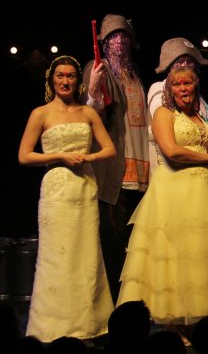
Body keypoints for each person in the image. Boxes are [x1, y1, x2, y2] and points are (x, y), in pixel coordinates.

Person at [117, 67, 208, 325]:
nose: (183, 89)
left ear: (195, 86)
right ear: (170, 89)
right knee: (174, 254)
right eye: (177, 84)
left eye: (187, 83)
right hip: (175, 189)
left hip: (202, 192)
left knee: (197, 256)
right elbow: (171, 151)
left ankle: (196, 317)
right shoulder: (164, 113)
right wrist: (207, 157)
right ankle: (171, 320)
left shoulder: (198, 116)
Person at [18, 56, 116, 342]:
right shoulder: (40, 114)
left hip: (84, 187)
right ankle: (52, 325)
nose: (65, 81)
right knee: (56, 257)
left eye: (71, 76)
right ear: (52, 79)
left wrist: (88, 157)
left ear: (77, 80)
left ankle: (87, 324)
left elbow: (109, 148)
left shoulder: (88, 113)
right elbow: (24, 155)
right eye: (60, 75)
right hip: (56, 189)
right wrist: (60, 156)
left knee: (85, 255)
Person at [82, 14, 150, 301]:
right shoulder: (98, 69)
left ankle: (133, 302)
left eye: (124, 36)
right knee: (114, 243)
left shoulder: (135, 75)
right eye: (113, 37)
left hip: (143, 170)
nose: (119, 42)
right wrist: (93, 91)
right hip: (116, 171)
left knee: (136, 245)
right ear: (104, 43)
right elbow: (91, 111)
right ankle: (114, 306)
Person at [148, 37, 208, 185]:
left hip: (205, 174)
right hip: (175, 173)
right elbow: (167, 134)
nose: (186, 66)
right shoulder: (161, 90)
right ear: (171, 65)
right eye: (181, 61)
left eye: (190, 61)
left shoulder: (198, 98)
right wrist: (206, 157)